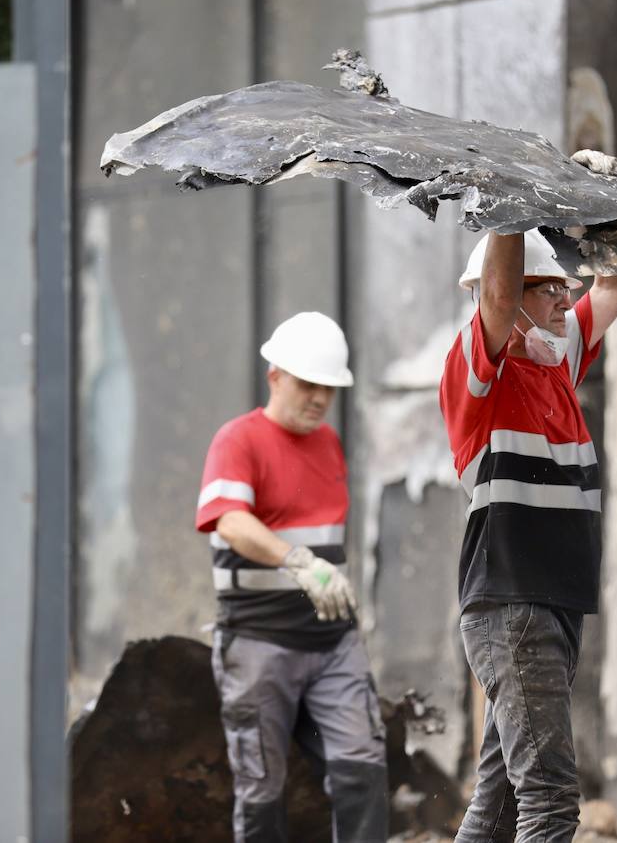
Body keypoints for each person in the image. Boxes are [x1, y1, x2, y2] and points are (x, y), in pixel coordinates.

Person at [440, 216, 617, 841]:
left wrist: (599, 212)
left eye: (563, 287)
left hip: (552, 605)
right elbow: (497, 298)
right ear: (509, 300)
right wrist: (511, 204)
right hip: (514, 606)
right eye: (548, 288)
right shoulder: (479, 376)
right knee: (549, 800)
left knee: (499, 805)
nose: (566, 297)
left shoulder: (557, 361)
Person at [195, 311, 388, 843]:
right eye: (308, 385)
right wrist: (298, 563)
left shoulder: (327, 444)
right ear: (275, 376)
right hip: (258, 644)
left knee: (362, 765)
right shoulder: (238, 441)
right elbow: (230, 521)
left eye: (329, 389)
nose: (320, 399)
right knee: (261, 787)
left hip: (332, 642)